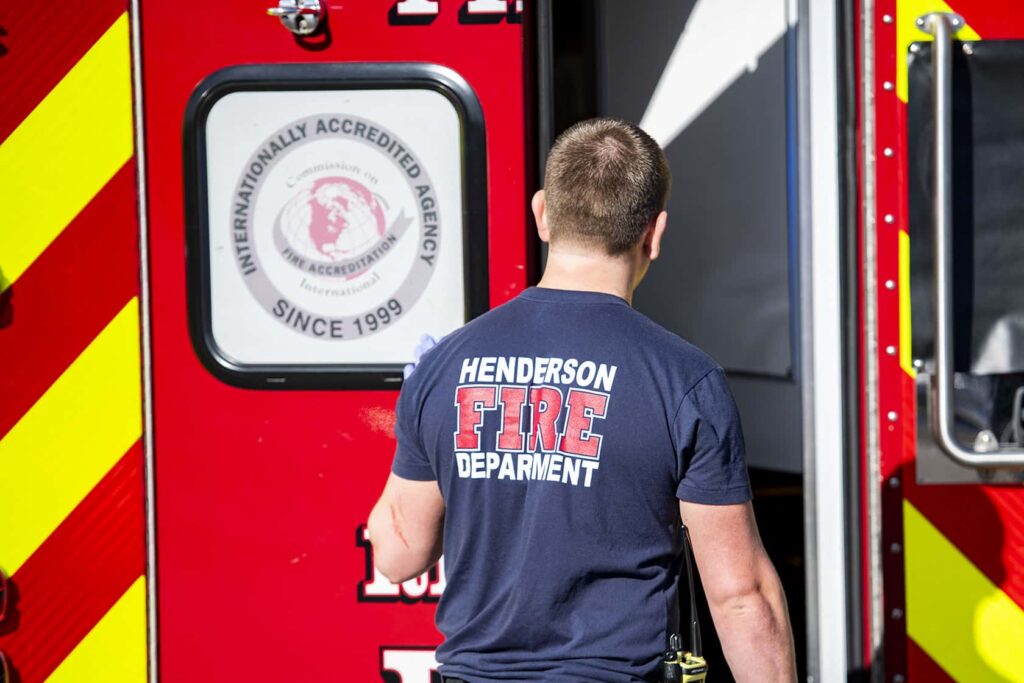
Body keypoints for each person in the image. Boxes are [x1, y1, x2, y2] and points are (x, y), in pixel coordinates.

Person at [368, 117, 797, 682]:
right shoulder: (685, 381)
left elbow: (398, 557)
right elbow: (741, 596)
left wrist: (419, 407)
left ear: (542, 214)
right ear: (655, 232)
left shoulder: (443, 367)